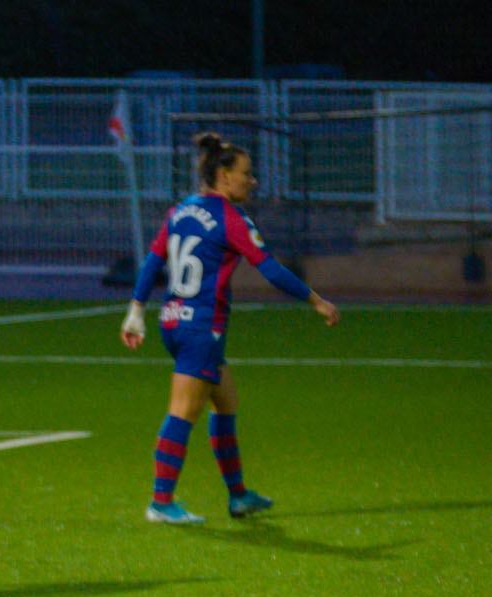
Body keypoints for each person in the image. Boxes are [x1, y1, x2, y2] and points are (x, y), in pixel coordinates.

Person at [122, 131, 340, 525]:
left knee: (225, 400)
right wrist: (316, 300)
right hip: (201, 326)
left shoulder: (180, 211)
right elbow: (270, 269)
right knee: (182, 411)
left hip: (173, 320)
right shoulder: (231, 219)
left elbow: (152, 262)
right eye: (246, 173)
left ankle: (238, 496)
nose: (252, 181)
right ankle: (160, 501)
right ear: (223, 175)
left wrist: (135, 311)